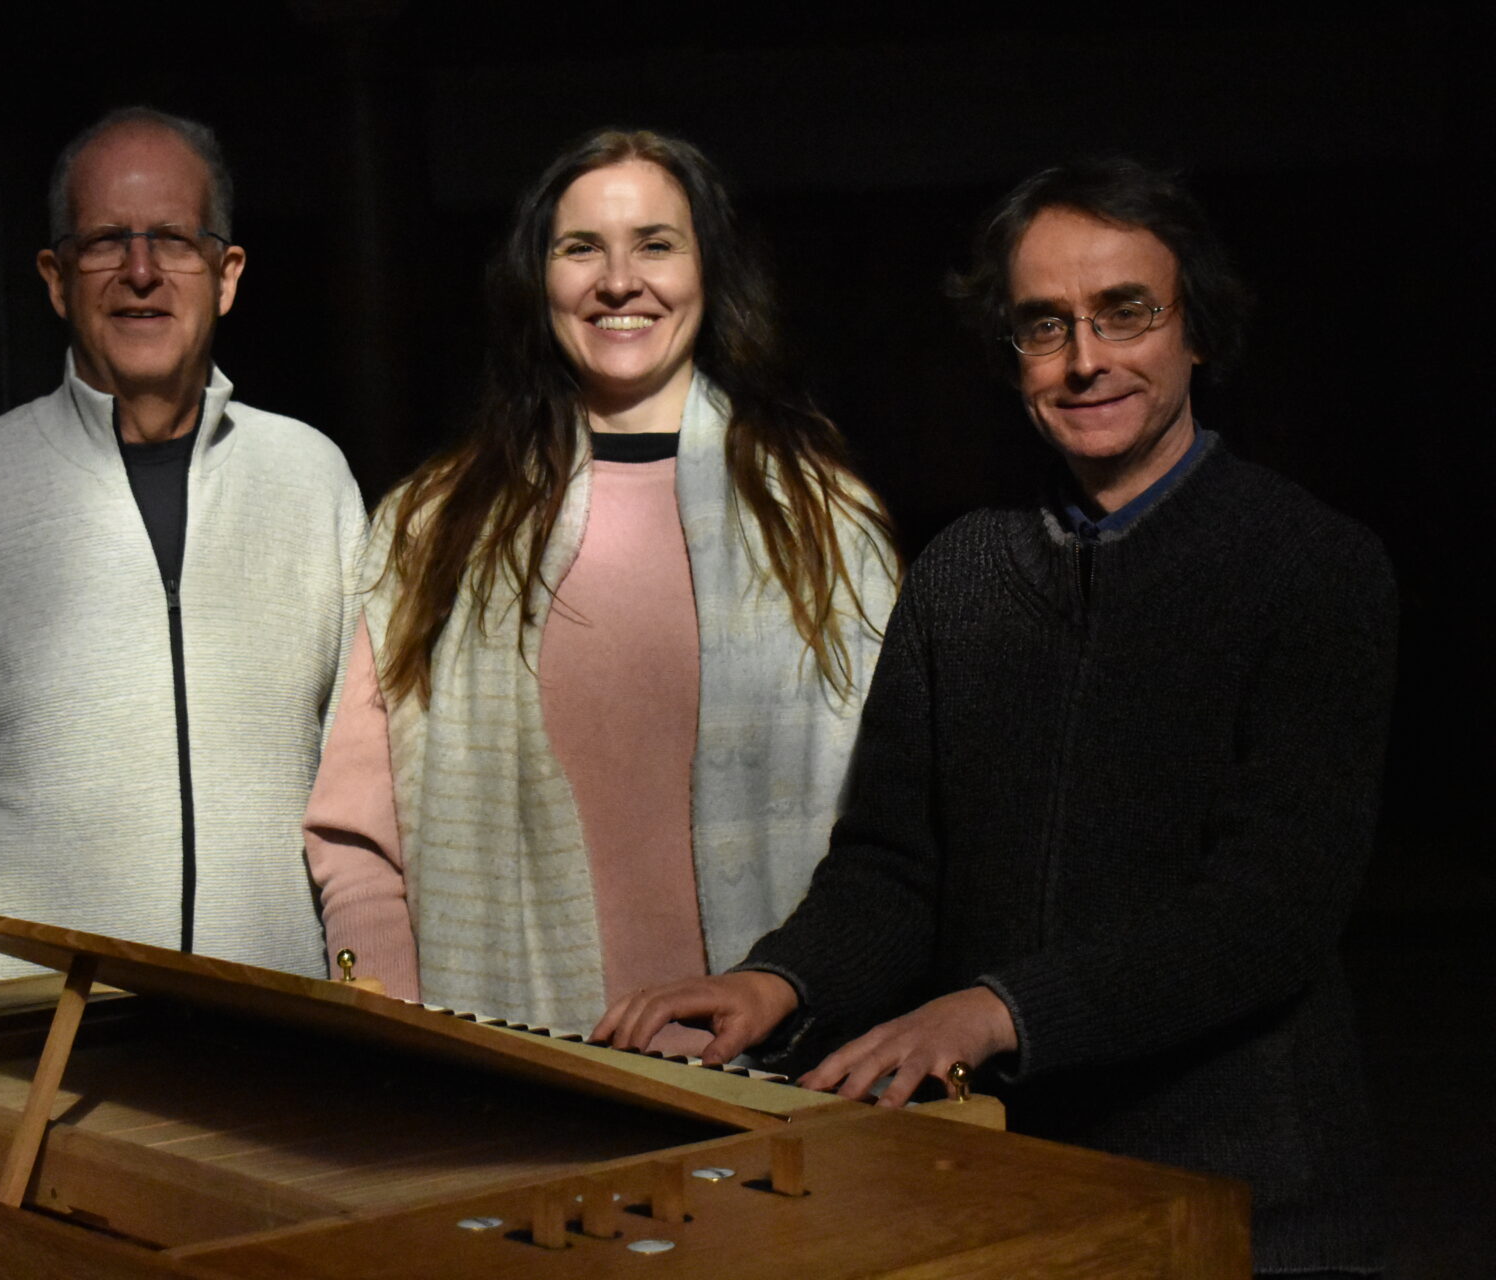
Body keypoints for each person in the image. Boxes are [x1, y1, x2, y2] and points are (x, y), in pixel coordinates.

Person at [595, 158, 1396, 1275]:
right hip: (1002, 1180)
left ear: (1196, 329)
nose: (1085, 359)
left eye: (1126, 313)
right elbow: (890, 867)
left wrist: (993, 1009)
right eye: (1043, 325)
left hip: (1252, 1199)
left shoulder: (1312, 567)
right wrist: (777, 982)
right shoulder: (961, 573)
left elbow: (1272, 907)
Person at [305, 129, 898, 1047]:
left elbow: (895, 839)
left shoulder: (826, 527)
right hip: (503, 1077)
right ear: (537, 279)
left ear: (710, 270)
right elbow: (356, 833)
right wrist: (392, 1011)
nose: (619, 281)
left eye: (656, 244)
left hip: (777, 1079)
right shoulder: (436, 526)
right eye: (581, 247)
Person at [0, 107, 367, 1006]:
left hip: (271, 1054)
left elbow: (366, 797)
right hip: (17, 1059)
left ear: (226, 273)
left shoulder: (312, 481)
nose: (139, 272)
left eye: (172, 238)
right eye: (104, 243)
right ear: (56, 279)